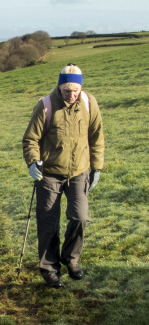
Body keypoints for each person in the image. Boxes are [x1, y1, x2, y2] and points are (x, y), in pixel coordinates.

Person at [22, 64, 104, 288]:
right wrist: (32, 161)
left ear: (80, 87)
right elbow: (31, 139)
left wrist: (97, 167)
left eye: (75, 90)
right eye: (67, 90)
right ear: (59, 86)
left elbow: (96, 136)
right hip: (48, 174)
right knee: (48, 223)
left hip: (79, 171)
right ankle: (50, 269)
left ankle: (71, 258)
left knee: (80, 217)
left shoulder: (89, 103)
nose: (71, 95)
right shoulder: (46, 106)